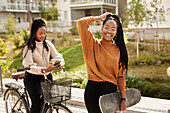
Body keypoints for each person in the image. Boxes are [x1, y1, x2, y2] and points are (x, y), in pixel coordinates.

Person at [78, 13, 128, 113]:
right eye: (107, 27)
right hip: (93, 90)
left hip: (111, 92)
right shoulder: (92, 44)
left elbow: (121, 77)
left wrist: (123, 99)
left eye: (113, 29)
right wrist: (97, 18)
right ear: (102, 29)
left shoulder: (118, 51)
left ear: (116, 32)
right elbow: (81, 23)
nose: (109, 31)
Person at [22, 18, 65, 113]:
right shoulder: (28, 47)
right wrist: (44, 70)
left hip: (47, 77)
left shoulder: (48, 44)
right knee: (38, 101)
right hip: (32, 78)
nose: (43, 36)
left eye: (44, 33)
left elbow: (58, 56)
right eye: (40, 33)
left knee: (49, 102)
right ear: (34, 33)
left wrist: (60, 62)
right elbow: (28, 64)